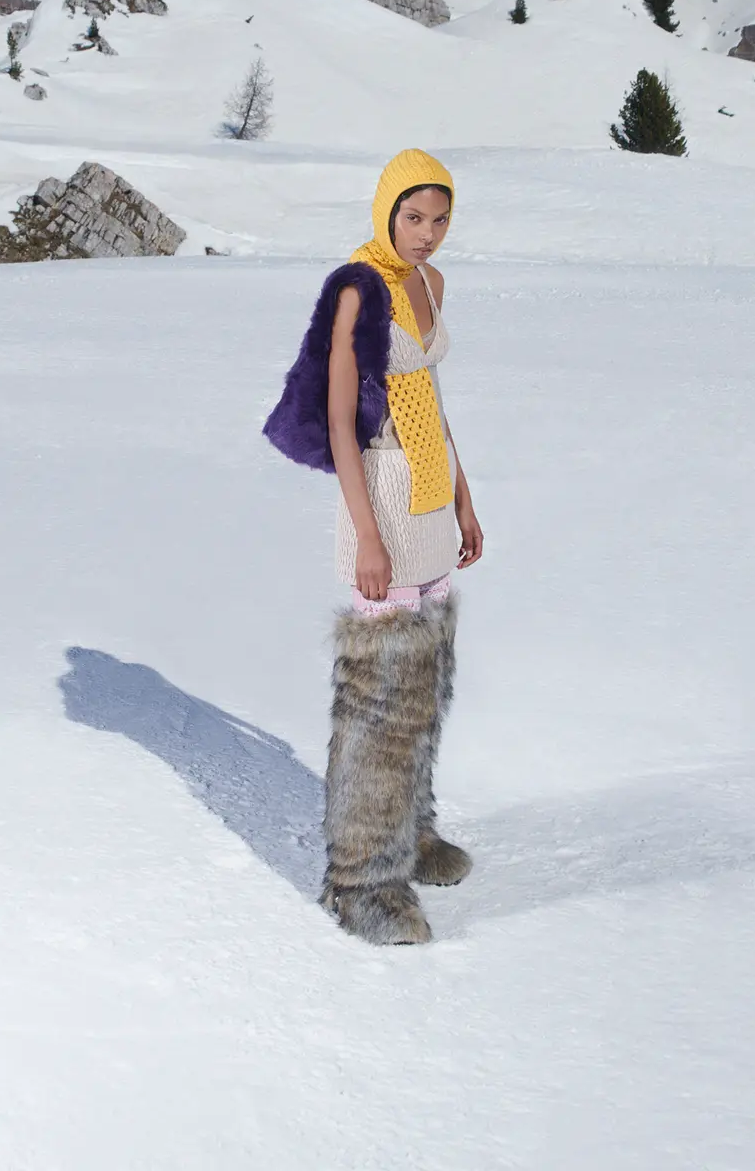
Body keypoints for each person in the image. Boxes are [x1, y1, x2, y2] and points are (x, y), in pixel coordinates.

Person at [264, 149, 483, 945]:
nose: (426, 233)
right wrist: (366, 535)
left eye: (439, 219)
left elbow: (430, 395)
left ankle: (412, 832)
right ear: (386, 211)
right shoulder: (358, 287)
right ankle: (360, 881)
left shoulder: (430, 283)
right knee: (379, 698)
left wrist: (464, 497)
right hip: (383, 491)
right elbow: (338, 419)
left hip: (430, 492)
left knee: (424, 681)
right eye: (413, 217)